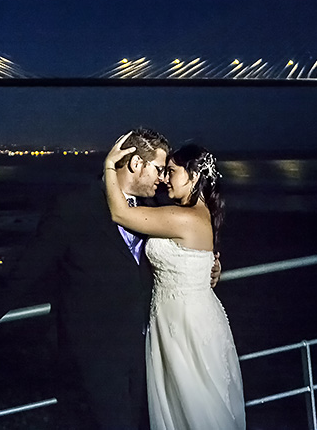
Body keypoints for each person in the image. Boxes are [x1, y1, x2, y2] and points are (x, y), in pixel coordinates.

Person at [0, 128, 221, 429]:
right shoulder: (74, 206)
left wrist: (208, 266)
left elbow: (184, 248)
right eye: (158, 169)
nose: (162, 179)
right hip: (95, 349)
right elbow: (34, 262)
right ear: (136, 164)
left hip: (147, 347)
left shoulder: (155, 208)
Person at [103, 134, 246, 430]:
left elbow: (120, 213)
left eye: (172, 171)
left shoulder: (184, 217)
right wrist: (212, 266)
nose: (165, 179)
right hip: (183, 317)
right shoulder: (199, 213)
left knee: (192, 407)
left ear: (193, 176)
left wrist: (109, 166)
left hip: (184, 325)